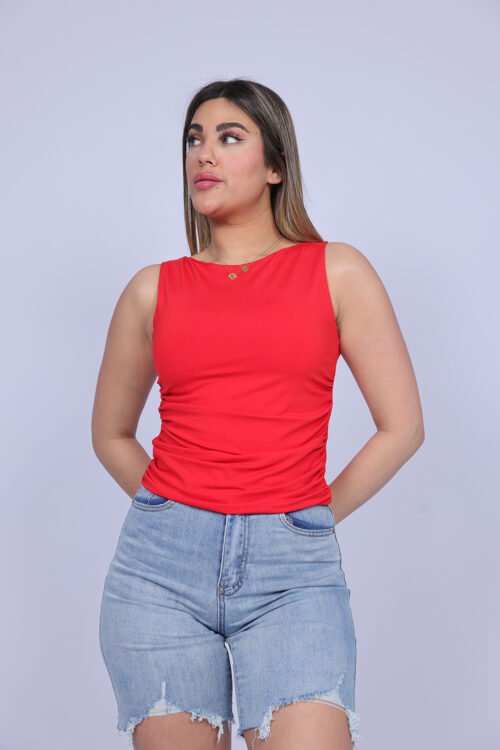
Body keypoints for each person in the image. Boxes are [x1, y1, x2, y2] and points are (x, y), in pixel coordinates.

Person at [92, 78, 425, 750]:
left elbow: (402, 427)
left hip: (293, 575)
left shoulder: (336, 271)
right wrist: (172, 509)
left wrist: (309, 516)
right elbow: (111, 434)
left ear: (275, 165)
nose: (204, 154)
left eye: (229, 137)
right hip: (158, 575)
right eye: (194, 139)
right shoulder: (152, 289)